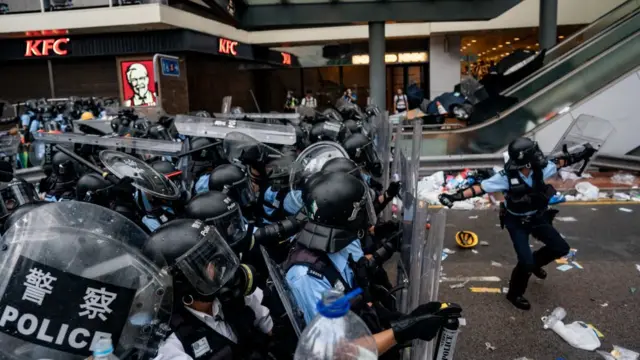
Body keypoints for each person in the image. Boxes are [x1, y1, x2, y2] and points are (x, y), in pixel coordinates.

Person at [284, 171, 452, 357]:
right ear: (347, 215)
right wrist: (404, 330)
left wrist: (406, 319)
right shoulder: (307, 276)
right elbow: (337, 353)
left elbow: (355, 291)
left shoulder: (337, 246)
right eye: (362, 209)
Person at [439, 137, 597, 310]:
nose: (539, 156)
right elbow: (479, 188)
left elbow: (560, 162)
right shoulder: (505, 177)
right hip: (517, 223)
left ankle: (535, 263)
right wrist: (453, 197)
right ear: (526, 161)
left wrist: (583, 154)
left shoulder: (540, 170)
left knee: (560, 248)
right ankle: (514, 293)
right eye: (534, 154)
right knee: (525, 263)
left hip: (538, 217)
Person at [148, 219, 274, 360]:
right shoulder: (172, 345)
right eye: (206, 263)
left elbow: (270, 327)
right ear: (182, 282)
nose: (220, 267)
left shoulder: (233, 294)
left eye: (216, 257)